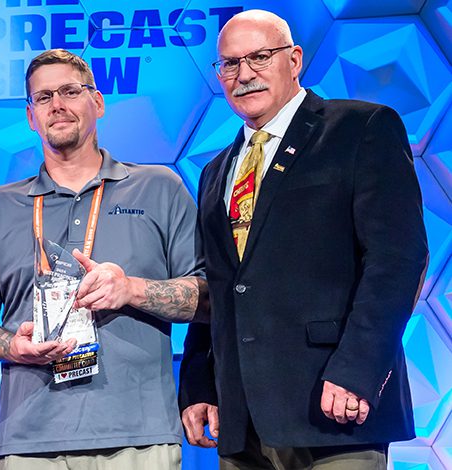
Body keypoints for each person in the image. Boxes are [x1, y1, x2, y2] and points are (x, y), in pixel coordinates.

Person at [178, 9, 428, 469]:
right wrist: (200, 385)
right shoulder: (215, 170)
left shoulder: (360, 128)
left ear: (294, 60)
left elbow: (398, 259)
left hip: (335, 407)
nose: (244, 74)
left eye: (260, 57)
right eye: (230, 63)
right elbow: (217, 284)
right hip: (243, 418)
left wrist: (359, 371)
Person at [0, 49, 207, 470]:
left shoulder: (159, 188)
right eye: (43, 97)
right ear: (30, 116)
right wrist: (12, 347)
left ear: (98, 102)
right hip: (26, 441)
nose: (57, 105)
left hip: (138, 439)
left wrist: (131, 289)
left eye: (71, 91)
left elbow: (208, 297)